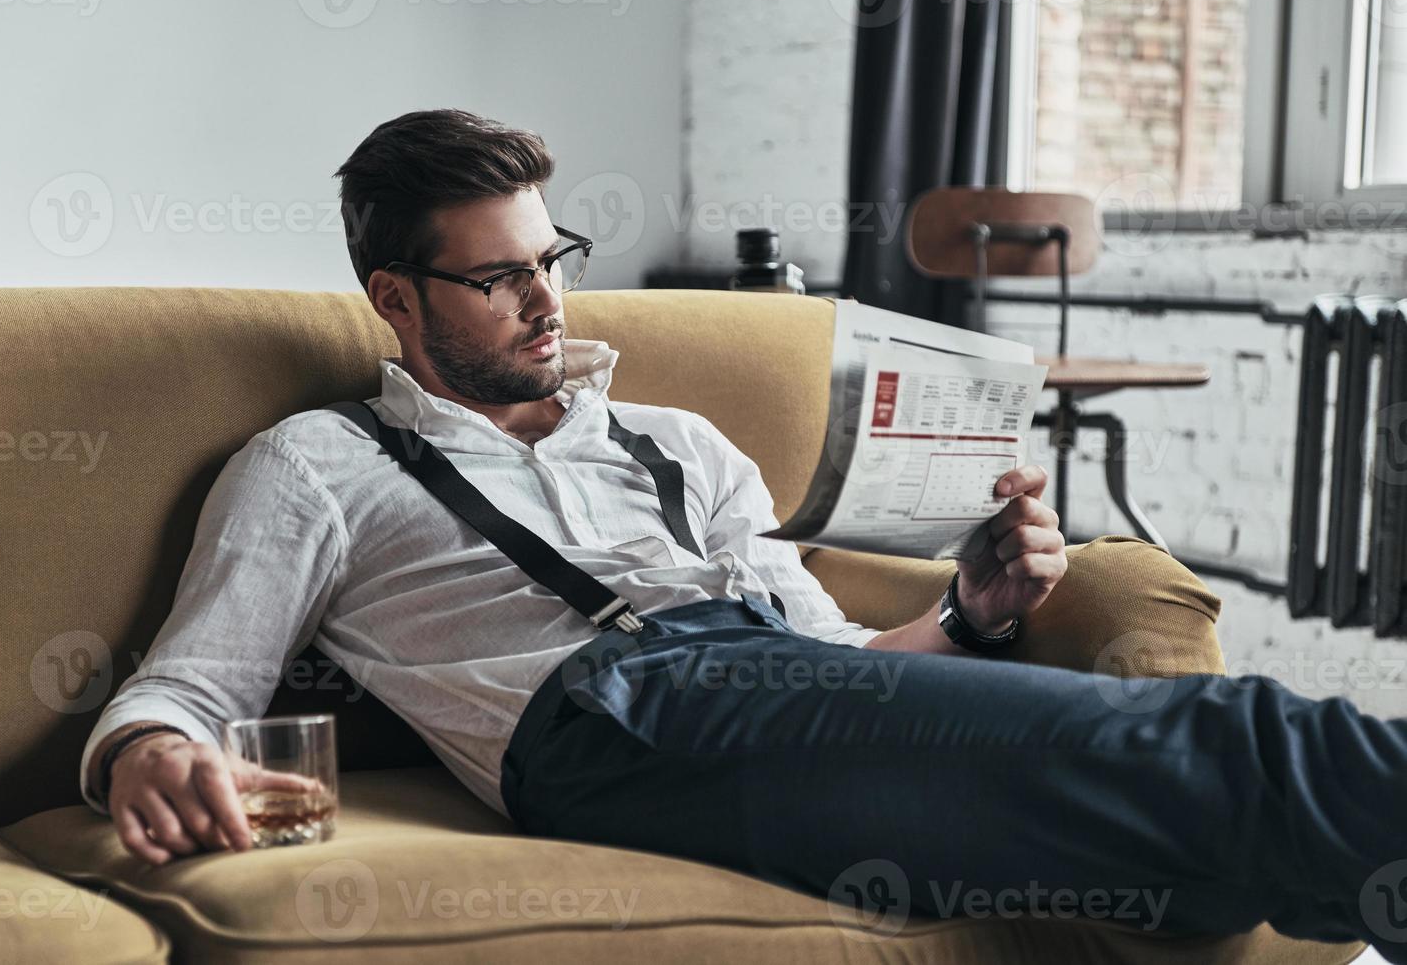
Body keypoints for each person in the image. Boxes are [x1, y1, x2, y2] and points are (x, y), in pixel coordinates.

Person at [80, 109, 1406, 962]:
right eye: (497, 279)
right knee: (1239, 746)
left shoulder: (679, 442)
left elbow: (834, 669)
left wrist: (967, 618)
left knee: (1189, 846)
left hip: (756, 697)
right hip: (604, 724)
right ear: (393, 298)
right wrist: (150, 755)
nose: (543, 302)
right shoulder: (317, 463)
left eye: (553, 259)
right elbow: (188, 685)